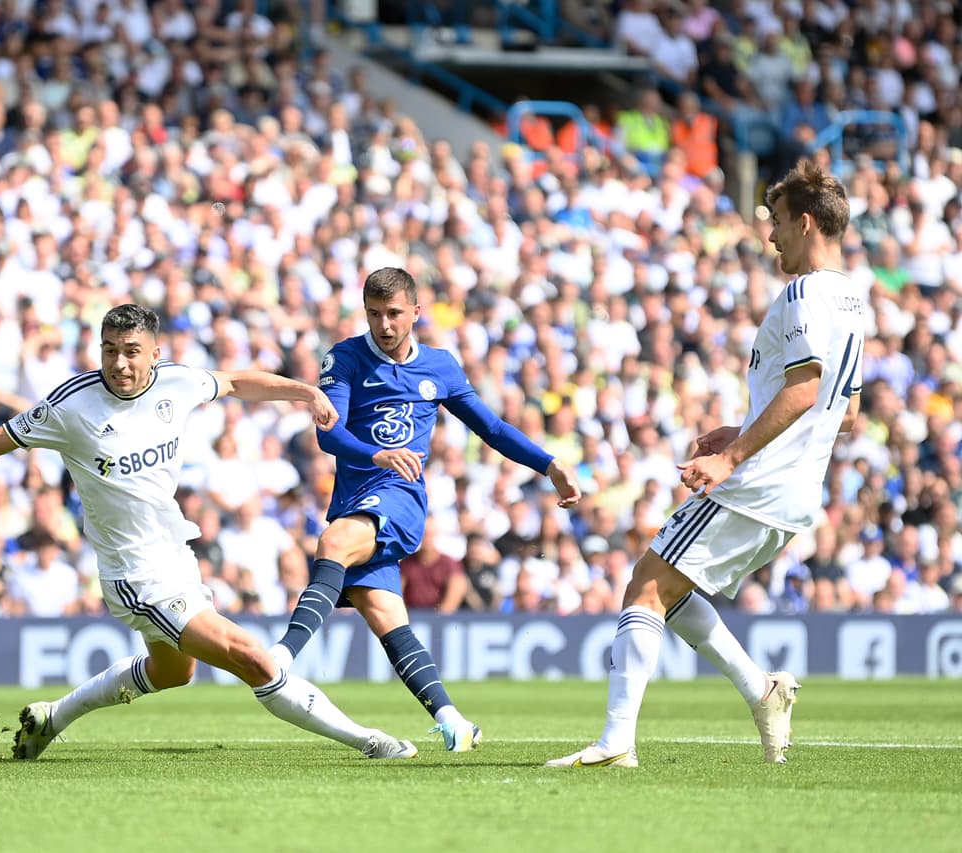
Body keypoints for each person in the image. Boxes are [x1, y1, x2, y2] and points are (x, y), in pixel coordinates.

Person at [0, 304, 417, 761]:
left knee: (172, 673)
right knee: (254, 658)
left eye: (131, 352)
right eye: (109, 351)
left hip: (175, 557)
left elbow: (236, 382)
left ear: (155, 353)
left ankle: (51, 718)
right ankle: (369, 741)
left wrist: (305, 391)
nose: (119, 363)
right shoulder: (71, 406)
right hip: (135, 574)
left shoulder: (177, 383)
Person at [546, 160, 863, 768]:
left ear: (804, 222)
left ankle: (617, 743)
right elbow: (842, 413)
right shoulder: (853, 299)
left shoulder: (803, 292)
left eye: (774, 224)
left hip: (758, 483)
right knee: (668, 585)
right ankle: (761, 690)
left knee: (643, 587)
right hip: (796, 492)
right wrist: (738, 430)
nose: (769, 237)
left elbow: (803, 390)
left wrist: (732, 456)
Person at [268, 267, 582, 751]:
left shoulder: (439, 366)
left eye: (394, 314)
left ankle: (281, 658)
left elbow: (492, 429)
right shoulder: (346, 358)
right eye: (375, 315)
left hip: (401, 495)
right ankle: (453, 719)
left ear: (416, 312)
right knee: (386, 616)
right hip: (355, 495)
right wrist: (375, 453)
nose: (385, 325)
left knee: (332, 543)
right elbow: (327, 432)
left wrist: (549, 464)